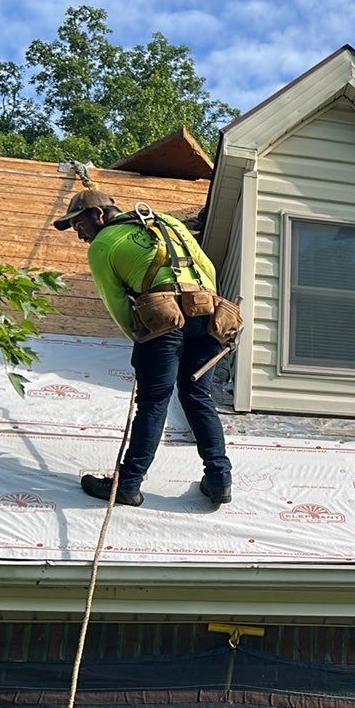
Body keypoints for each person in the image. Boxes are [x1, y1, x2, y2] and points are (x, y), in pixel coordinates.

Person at [53, 188, 233, 506]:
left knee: (154, 401)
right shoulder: (168, 222)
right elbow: (208, 268)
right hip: (210, 314)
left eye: (79, 225)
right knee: (197, 396)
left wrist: (142, 336)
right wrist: (197, 306)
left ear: (98, 214)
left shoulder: (103, 245)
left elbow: (118, 306)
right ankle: (219, 480)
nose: (79, 235)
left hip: (164, 321)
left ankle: (128, 484)